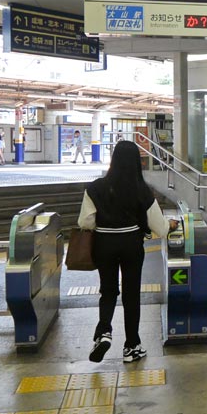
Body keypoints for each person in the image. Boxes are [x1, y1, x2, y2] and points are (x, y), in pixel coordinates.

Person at [77, 140, 178, 363]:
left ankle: (103, 332)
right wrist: (170, 225)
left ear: (113, 160)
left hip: (103, 244)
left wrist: (106, 224)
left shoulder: (95, 188)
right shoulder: (141, 188)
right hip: (131, 243)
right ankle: (132, 346)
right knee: (131, 294)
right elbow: (159, 228)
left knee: (108, 290)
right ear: (136, 162)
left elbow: (85, 221)